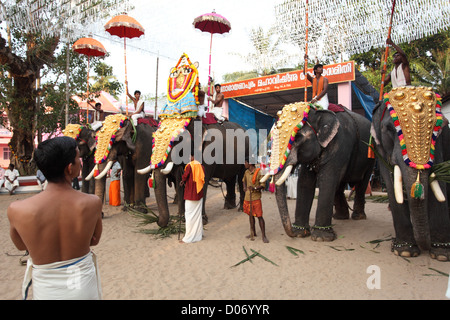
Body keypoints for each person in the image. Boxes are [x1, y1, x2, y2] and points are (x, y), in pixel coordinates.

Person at [7, 136, 103, 300]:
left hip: (46, 290)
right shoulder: (92, 203)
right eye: (77, 158)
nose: (80, 161)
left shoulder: (17, 209)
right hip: (82, 286)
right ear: (69, 168)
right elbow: (93, 240)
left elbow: (21, 245)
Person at [179, 154, 205, 243]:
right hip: (199, 195)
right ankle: (198, 235)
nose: (189, 158)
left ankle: (188, 238)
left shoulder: (190, 165)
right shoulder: (201, 167)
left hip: (190, 195)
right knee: (197, 215)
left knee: (189, 216)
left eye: (190, 156)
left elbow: (185, 176)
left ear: (194, 157)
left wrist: (182, 180)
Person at [242, 159, 269, 243]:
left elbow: (263, 185)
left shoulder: (260, 172)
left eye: (245, 162)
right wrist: (244, 187)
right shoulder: (246, 172)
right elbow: (244, 180)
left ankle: (264, 235)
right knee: (250, 216)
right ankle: (252, 232)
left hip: (255, 197)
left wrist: (254, 188)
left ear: (249, 163)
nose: (244, 164)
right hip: (247, 197)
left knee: (259, 216)